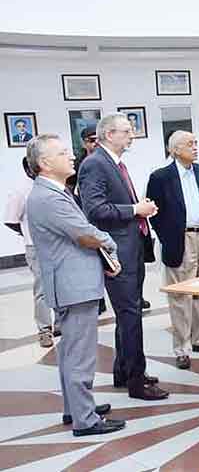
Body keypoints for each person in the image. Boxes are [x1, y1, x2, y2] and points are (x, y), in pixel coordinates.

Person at [25, 133, 125, 437]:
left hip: (71, 284)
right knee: (80, 356)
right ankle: (86, 420)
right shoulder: (49, 197)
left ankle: (77, 408)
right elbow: (84, 233)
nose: (71, 156)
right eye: (63, 153)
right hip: (74, 286)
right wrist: (110, 243)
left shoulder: (53, 191)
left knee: (71, 353)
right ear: (45, 163)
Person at [78, 113, 168, 401]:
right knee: (130, 315)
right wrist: (135, 210)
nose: (132, 136)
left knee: (128, 314)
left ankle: (124, 370)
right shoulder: (95, 164)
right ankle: (137, 382)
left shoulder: (114, 163)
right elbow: (94, 210)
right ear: (109, 134)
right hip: (117, 252)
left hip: (131, 247)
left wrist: (138, 208)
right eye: (127, 131)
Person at [146, 131, 199, 370]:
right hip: (181, 239)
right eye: (190, 144)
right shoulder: (160, 177)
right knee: (180, 296)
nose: (196, 147)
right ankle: (182, 348)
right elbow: (154, 213)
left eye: (196, 143)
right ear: (175, 150)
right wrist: (169, 238)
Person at [4, 158, 54, 347]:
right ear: (28, 168)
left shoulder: (51, 185)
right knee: (42, 290)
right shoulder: (20, 190)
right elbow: (10, 220)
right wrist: (28, 232)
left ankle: (60, 324)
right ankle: (44, 330)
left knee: (60, 285)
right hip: (36, 246)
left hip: (57, 246)